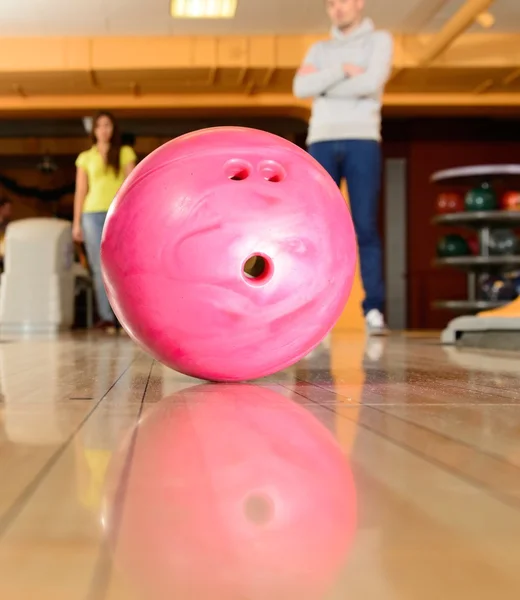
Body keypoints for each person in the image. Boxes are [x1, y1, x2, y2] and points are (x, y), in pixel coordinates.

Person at [293, 0, 393, 335]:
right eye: (331, 3)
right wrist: (344, 71)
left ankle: (374, 309)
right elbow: (300, 88)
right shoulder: (319, 48)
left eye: (344, 1)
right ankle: (315, 310)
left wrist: (322, 83)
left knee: (364, 225)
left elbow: (370, 83)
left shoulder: (379, 41)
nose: (338, 8)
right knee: (318, 228)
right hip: (320, 139)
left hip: (362, 139)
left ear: (360, 3)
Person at [73, 111, 136, 332]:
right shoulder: (85, 157)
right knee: (98, 267)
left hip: (118, 214)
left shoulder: (125, 152)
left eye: (108, 125)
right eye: (99, 126)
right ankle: (107, 318)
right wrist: (76, 223)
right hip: (91, 215)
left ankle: (127, 318)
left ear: (113, 128)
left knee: (121, 264)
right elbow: (81, 191)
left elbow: (132, 184)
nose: (104, 129)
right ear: (94, 131)